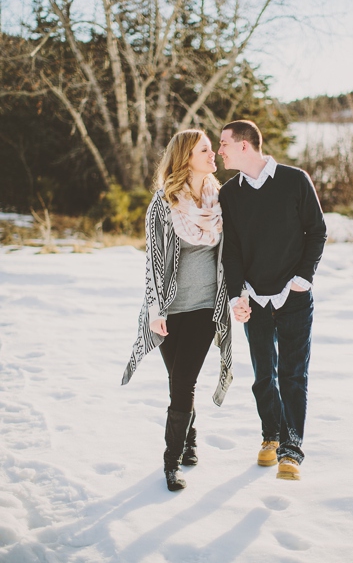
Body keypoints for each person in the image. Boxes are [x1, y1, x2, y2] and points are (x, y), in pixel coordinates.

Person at [122, 129, 233, 492]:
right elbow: (154, 262)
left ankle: (172, 464)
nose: (213, 153)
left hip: (205, 307)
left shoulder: (221, 202)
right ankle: (190, 437)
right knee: (179, 382)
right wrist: (155, 310)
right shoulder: (163, 204)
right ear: (186, 157)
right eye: (205, 149)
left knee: (183, 381)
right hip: (168, 310)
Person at [217, 120, 327, 481]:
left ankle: (292, 448)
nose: (220, 151)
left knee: (293, 374)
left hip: (293, 296)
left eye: (224, 144)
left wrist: (303, 278)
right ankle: (271, 436)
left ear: (245, 146)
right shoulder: (230, 194)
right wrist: (237, 294)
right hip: (255, 298)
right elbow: (230, 250)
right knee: (264, 375)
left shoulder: (295, 180)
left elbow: (317, 231)